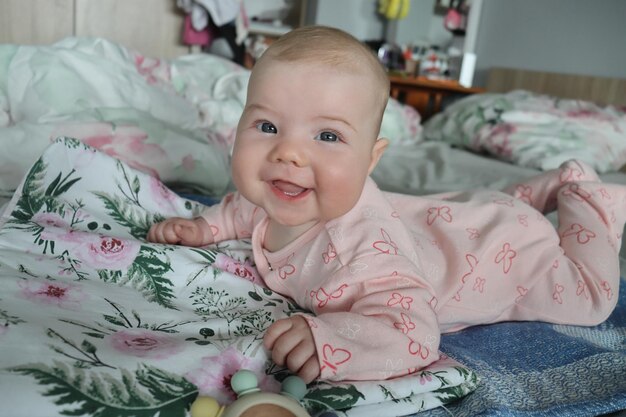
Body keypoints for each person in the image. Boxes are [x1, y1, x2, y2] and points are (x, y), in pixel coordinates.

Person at [147, 25, 626, 384]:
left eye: (328, 136)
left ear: (371, 159)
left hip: (512, 258)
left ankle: (588, 196)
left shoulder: (365, 255)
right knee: (487, 209)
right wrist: (204, 227)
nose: (287, 153)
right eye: (268, 127)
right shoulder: (285, 194)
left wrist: (334, 341)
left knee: (589, 301)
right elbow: (246, 207)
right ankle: (537, 191)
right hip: (471, 218)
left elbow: (414, 334)